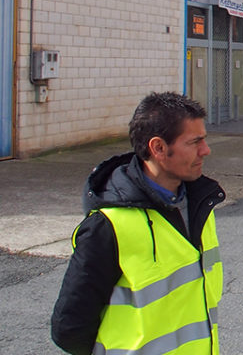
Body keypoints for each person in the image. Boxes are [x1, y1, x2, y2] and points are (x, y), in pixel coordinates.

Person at [51, 92, 224, 355]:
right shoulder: (108, 226)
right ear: (158, 148)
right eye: (194, 142)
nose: (205, 150)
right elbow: (69, 329)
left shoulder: (200, 207)